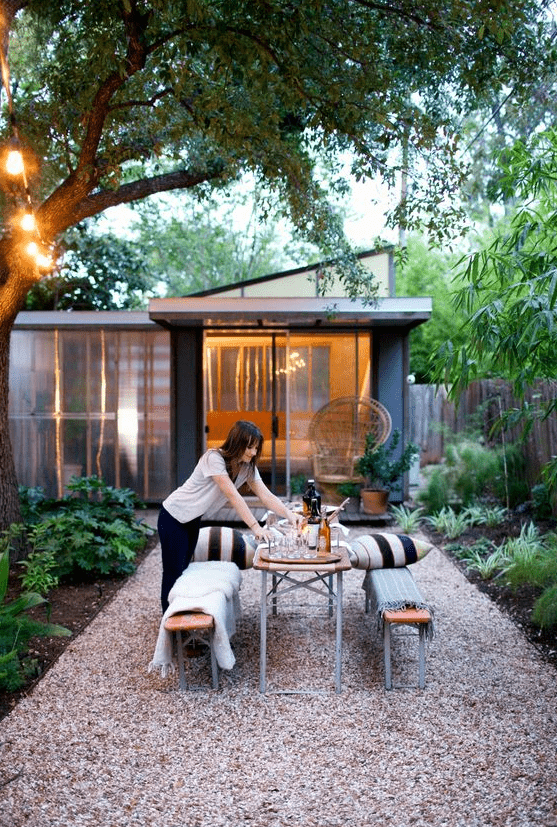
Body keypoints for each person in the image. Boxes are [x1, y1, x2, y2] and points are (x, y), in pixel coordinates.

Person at [157, 419, 300, 612]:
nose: (253, 453)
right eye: (250, 447)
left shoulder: (247, 467)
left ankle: (183, 614)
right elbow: (233, 495)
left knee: (184, 569)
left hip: (191, 519)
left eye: (256, 448)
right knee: (174, 571)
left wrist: (290, 515)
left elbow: (266, 495)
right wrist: (256, 528)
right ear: (237, 443)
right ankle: (169, 620)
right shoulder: (213, 458)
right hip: (173, 517)